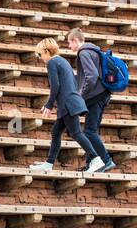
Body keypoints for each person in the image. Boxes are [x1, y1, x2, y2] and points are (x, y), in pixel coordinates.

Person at [30, 37, 109, 177]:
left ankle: (96, 159)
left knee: (76, 133)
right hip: (69, 103)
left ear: (46, 51)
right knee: (56, 132)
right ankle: (48, 164)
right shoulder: (62, 61)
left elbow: (55, 86)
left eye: (40, 54)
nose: (40, 57)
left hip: (67, 104)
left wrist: (48, 105)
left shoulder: (52, 62)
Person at [68, 27, 116, 173]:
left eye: (69, 43)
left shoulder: (83, 52)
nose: (69, 46)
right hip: (102, 94)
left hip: (95, 96)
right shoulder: (94, 50)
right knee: (91, 130)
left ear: (75, 40)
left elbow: (92, 76)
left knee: (89, 131)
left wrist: (81, 95)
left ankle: (106, 160)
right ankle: (91, 164)